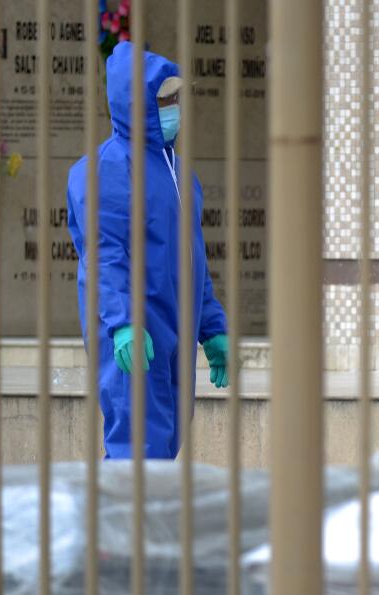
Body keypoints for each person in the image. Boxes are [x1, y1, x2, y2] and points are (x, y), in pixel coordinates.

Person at [66, 42, 229, 459]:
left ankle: (136, 523)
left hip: (176, 329)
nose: (175, 107)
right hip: (133, 333)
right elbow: (105, 254)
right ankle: (118, 525)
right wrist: (122, 322)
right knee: (137, 446)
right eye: (164, 99)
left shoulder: (178, 171)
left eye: (177, 98)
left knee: (165, 441)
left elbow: (194, 258)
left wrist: (212, 328)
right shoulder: (107, 169)